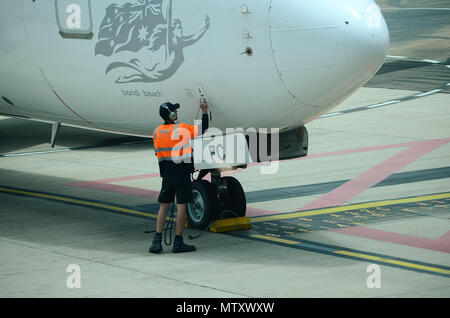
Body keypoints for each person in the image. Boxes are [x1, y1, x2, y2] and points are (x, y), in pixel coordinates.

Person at [149, 99, 209, 253]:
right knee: (182, 206)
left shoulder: (156, 132)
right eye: (174, 111)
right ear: (171, 114)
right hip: (181, 172)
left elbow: (158, 153)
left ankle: (156, 241)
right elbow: (203, 129)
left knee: (164, 205)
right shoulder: (182, 128)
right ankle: (178, 242)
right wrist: (204, 111)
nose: (176, 112)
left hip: (167, 173)